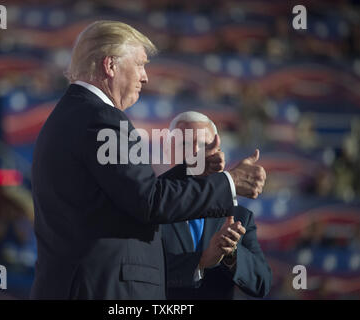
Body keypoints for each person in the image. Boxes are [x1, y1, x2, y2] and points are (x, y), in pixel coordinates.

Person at [30, 21, 266, 299]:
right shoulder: (102, 120)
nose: (145, 77)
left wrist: (191, 171)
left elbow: (127, 196)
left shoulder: (73, 114)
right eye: (140, 64)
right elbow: (149, 201)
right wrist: (228, 182)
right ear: (110, 66)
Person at [161, 111, 272, 299]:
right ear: (166, 150)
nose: (196, 152)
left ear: (218, 153)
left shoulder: (239, 217)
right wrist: (201, 261)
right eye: (185, 143)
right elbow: (139, 271)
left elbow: (262, 283)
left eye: (204, 144)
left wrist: (231, 254)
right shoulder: (147, 206)